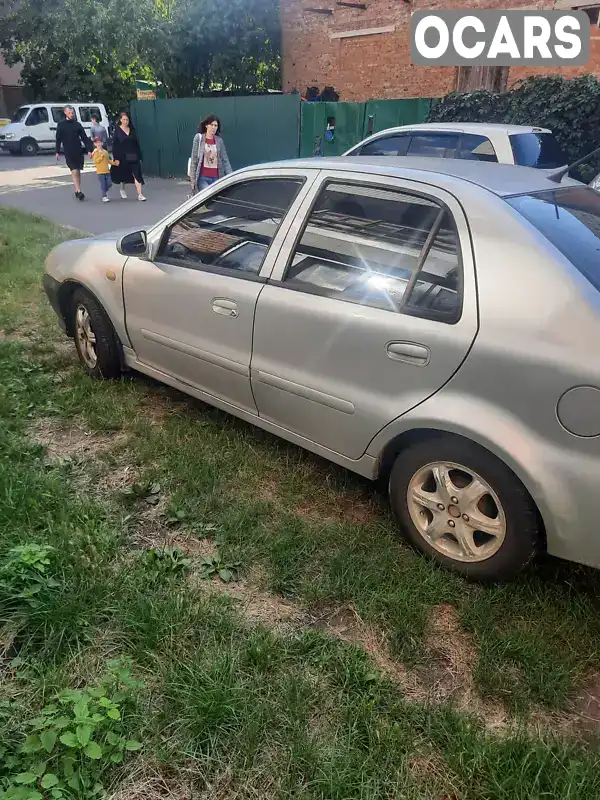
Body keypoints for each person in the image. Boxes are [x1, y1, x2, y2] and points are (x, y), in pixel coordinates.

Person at [55, 105, 92, 202]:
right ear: (65, 113)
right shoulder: (61, 125)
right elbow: (58, 139)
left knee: (78, 171)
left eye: (73, 113)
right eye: (70, 113)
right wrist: (57, 151)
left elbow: (84, 137)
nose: (72, 114)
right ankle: (79, 191)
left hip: (78, 150)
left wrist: (89, 149)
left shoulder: (77, 125)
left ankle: (77, 190)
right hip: (68, 151)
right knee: (74, 170)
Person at [189, 115, 232, 195]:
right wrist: (193, 180)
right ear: (206, 125)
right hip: (203, 178)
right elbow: (194, 160)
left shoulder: (219, 141)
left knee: (214, 201)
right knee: (208, 196)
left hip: (217, 178)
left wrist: (231, 177)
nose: (213, 127)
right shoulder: (199, 138)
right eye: (211, 125)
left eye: (215, 125)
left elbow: (225, 160)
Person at [110, 111, 146, 201]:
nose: (126, 121)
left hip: (133, 155)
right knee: (123, 173)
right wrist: (116, 158)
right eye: (124, 119)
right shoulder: (117, 130)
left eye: (127, 119)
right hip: (122, 156)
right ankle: (122, 189)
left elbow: (136, 143)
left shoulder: (132, 130)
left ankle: (140, 194)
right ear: (120, 120)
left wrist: (139, 156)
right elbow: (115, 145)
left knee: (136, 173)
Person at [90, 136, 119, 202]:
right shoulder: (95, 152)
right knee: (103, 184)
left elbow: (108, 160)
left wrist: (114, 163)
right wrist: (101, 157)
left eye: (100, 142)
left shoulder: (105, 152)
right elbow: (96, 161)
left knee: (109, 183)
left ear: (102, 143)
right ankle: (104, 196)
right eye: (97, 143)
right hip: (100, 172)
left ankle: (104, 191)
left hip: (107, 170)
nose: (99, 144)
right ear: (95, 144)